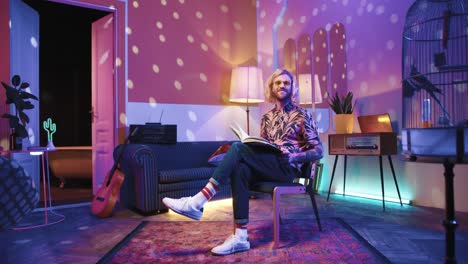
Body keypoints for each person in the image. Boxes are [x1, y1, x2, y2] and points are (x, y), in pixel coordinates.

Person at [162, 68, 323, 255]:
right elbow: (264, 147)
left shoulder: (302, 115)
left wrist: (295, 156)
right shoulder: (267, 118)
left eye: (286, 83)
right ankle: (240, 236)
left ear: (292, 88)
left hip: (287, 169)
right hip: (269, 164)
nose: (282, 86)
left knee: (237, 148)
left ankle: (198, 201)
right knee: (240, 168)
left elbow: (319, 150)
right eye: (278, 83)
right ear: (271, 88)